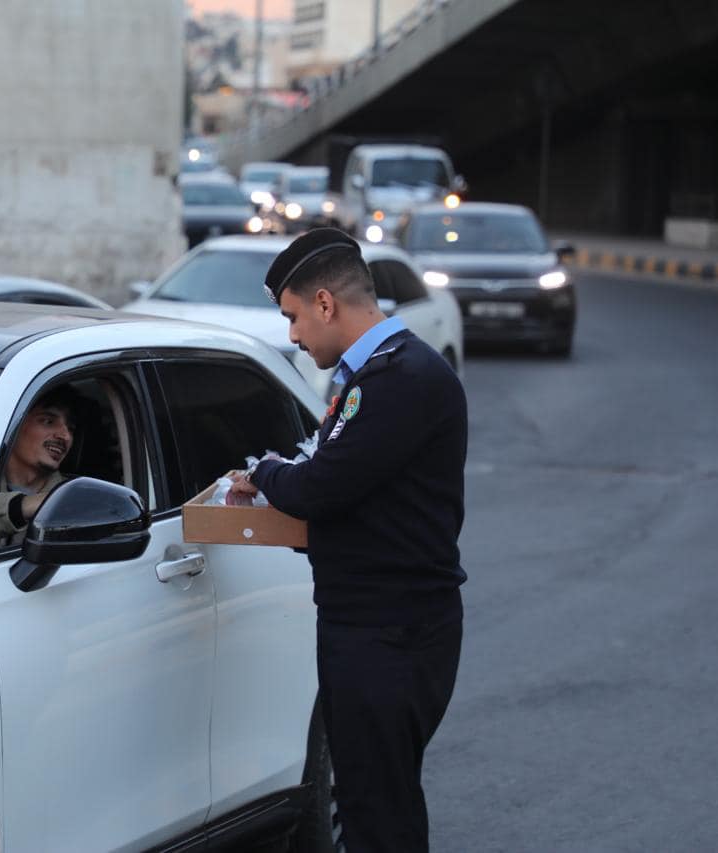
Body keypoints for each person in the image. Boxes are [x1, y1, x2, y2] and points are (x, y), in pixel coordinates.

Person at [229, 227, 467, 852]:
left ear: (326, 303)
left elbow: (321, 487)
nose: (292, 335)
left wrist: (264, 472)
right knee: (376, 801)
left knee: (376, 812)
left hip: (389, 632)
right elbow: (359, 498)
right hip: (380, 625)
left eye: (294, 317)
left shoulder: (398, 379)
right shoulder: (381, 375)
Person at [0, 385, 79, 549]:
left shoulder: (72, 499)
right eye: (48, 421)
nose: (65, 436)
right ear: (13, 426)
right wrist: (23, 506)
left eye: (70, 429)